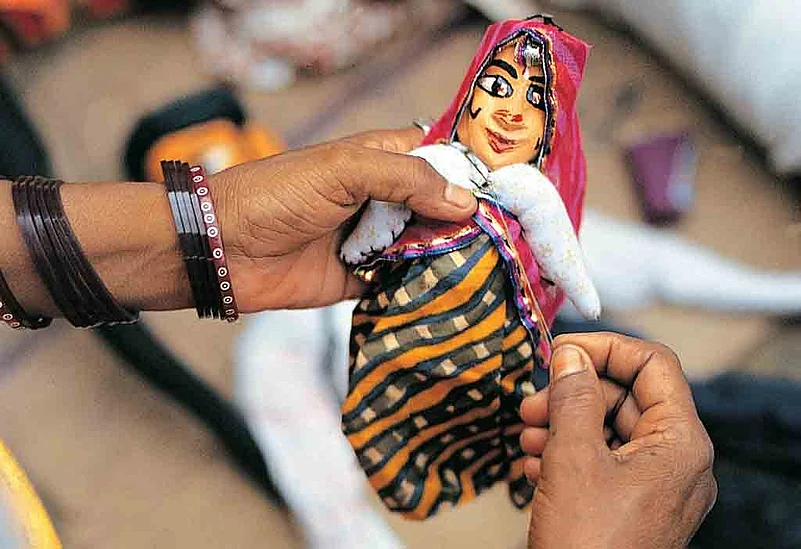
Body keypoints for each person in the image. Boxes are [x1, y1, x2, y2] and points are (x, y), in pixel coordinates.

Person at [0, 127, 715, 547]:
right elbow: (327, 500)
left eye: (225, 147)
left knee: (685, 418)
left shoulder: (444, 211)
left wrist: (203, 227)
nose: (220, 171)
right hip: (493, 437)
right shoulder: (277, 344)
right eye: (192, 164)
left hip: (546, 375)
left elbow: (591, 252)